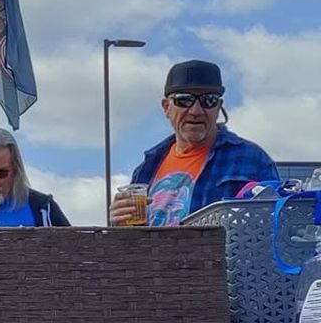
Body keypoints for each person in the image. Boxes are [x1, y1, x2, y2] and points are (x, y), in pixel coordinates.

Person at [110, 58, 278, 226]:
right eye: (184, 100)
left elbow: (276, 228)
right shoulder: (147, 167)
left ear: (219, 106)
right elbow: (133, 238)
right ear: (166, 107)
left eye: (209, 100)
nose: (196, 111)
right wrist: (119, 223)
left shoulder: (252, 159)